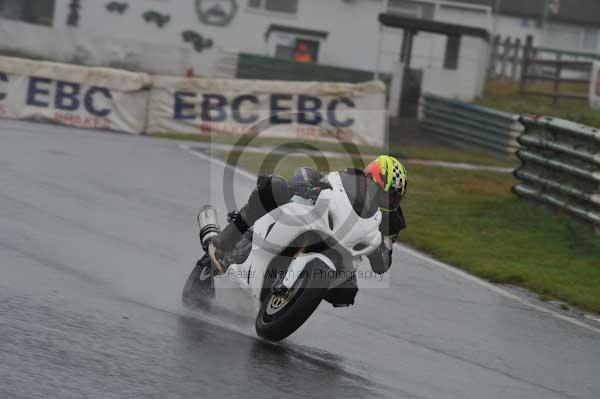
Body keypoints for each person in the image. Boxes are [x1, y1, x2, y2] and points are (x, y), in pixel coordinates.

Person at [207, 155, 408, 275]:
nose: (384, 200)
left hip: (343, 253)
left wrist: (379, 248)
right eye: (382, 193)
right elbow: (308, 173)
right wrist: (305, 185)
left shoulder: (392, 222)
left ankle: (297, 295)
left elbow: (382, 265)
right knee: (274, 187)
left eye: (390, 198)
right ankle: (226, 240)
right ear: (369, 179)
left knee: (347, 290)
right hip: (316, 218)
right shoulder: (350, 178)